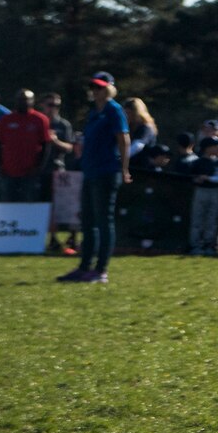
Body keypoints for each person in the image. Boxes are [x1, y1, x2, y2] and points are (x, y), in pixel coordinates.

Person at [60, 73, 130, 284]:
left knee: (103, 220)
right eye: (93, 87)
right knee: (88, 221)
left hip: (106, 171)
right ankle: (84, 267)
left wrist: (124, 168)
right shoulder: (94, 112)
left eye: (99, 87)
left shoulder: (113, 110)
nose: (95, 91)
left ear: (109, 89)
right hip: (90, 171)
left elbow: (123, 140)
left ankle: (101, 270)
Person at [0, 93, 53, 203]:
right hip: (9, 171)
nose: (23, 102)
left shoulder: (40, 119)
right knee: (8, 201)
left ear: (32, 101)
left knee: (28, 201)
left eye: (26, 99)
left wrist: (39, 166)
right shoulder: (6, 120)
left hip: (29, 172)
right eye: (21, 99)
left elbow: (46, 145)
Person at [186, 135, 218, 254]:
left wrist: (208, 178)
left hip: (215, 192)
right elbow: (191, 177)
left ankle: (209, 244)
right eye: (214, 146)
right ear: (207, 148)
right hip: (201, 191)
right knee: (197, 218)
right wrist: (197, 179)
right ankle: (195, 245)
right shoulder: (197, 162)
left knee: (212, 219)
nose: (217, 148)